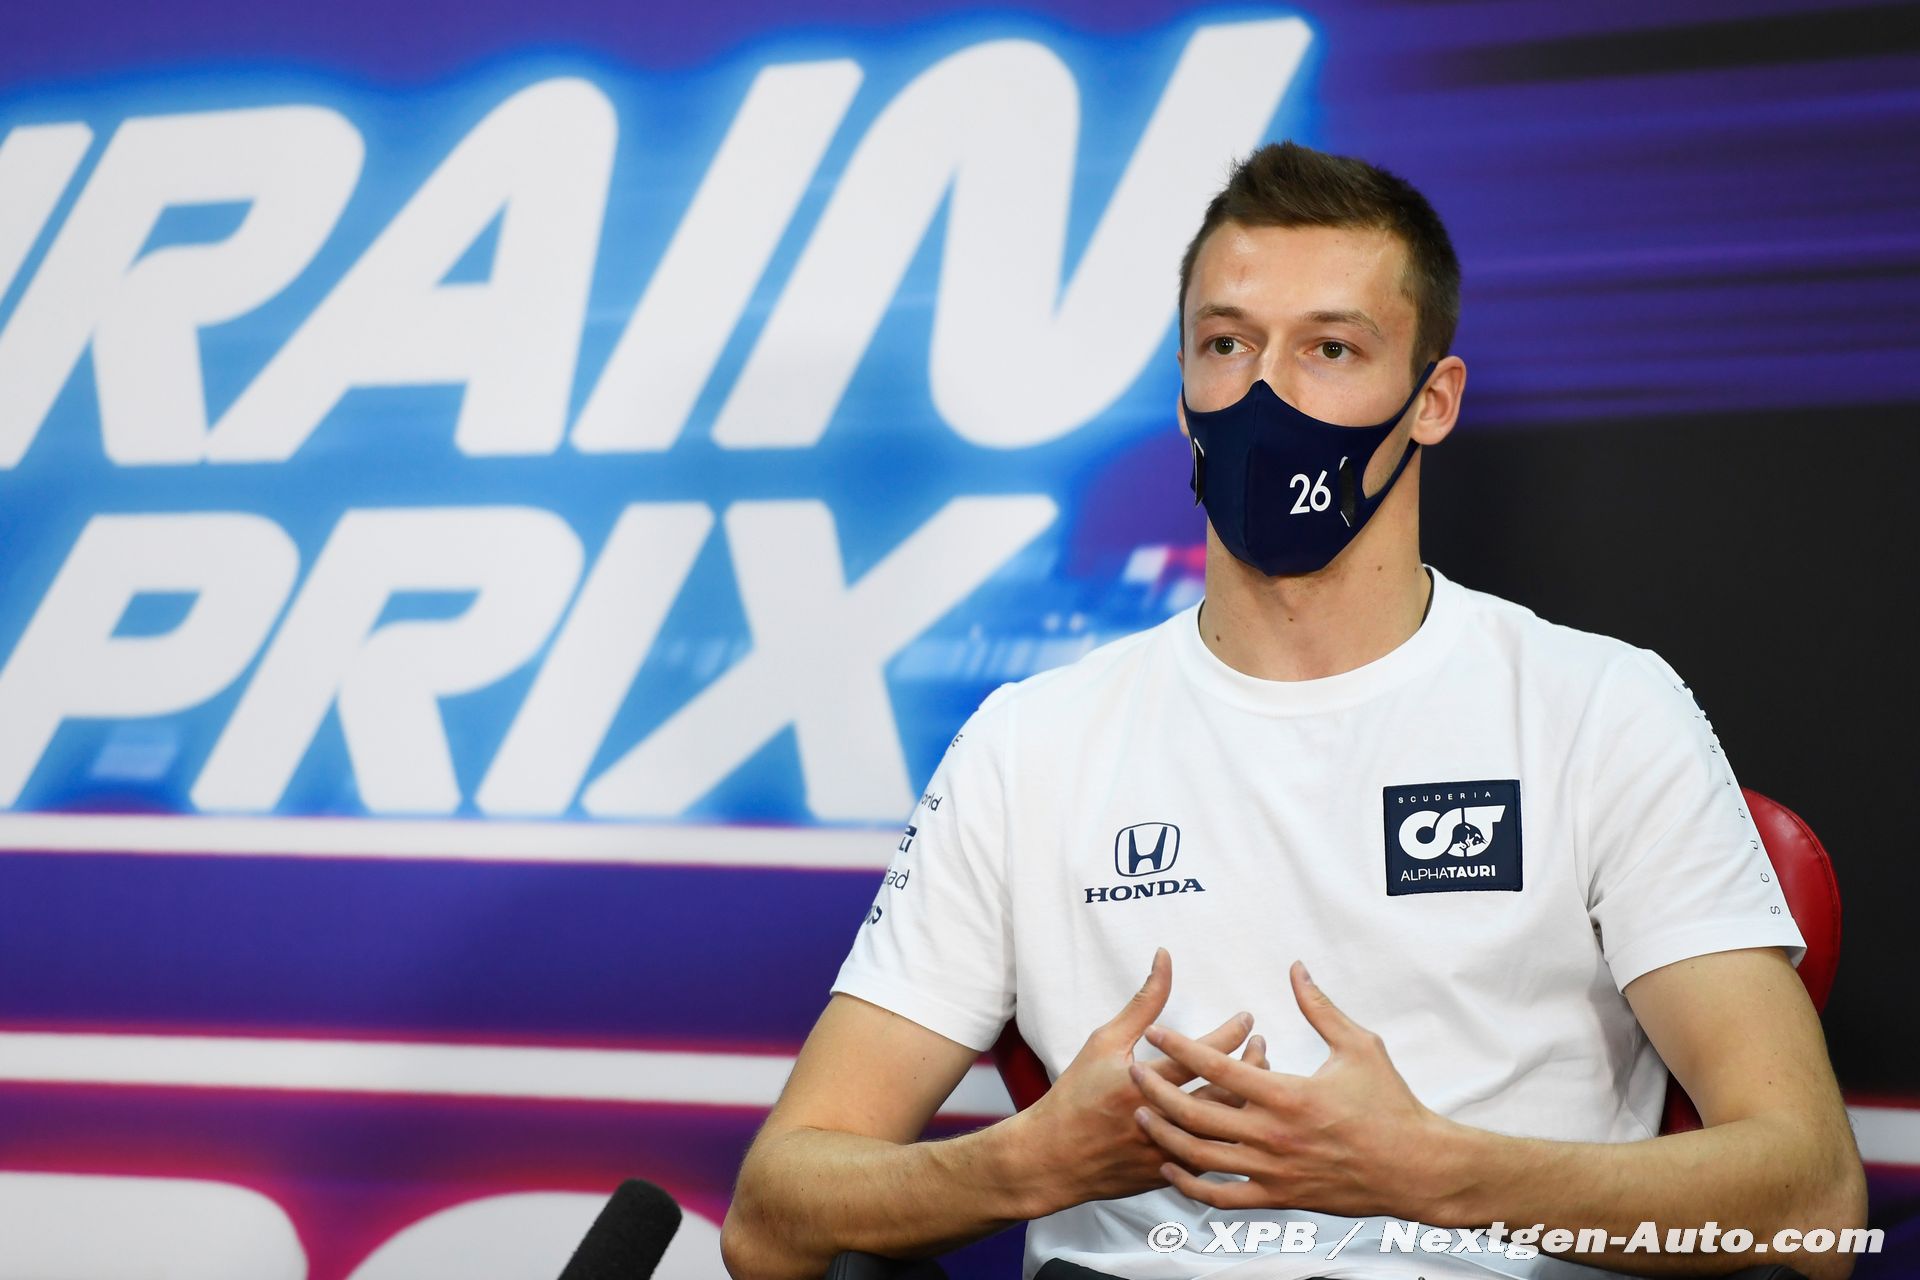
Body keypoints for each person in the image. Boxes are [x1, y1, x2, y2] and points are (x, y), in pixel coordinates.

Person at [719, 141, 1866, 1280]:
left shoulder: (1600, 709)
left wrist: (1437, 1170)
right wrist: (1031, 1161)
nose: (1266, 393)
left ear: (1432, 401)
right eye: (1228, 344)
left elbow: (1811, 1194)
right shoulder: (1029, 744)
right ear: (1184, 392)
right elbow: (773, 1212)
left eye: (1331, 348)